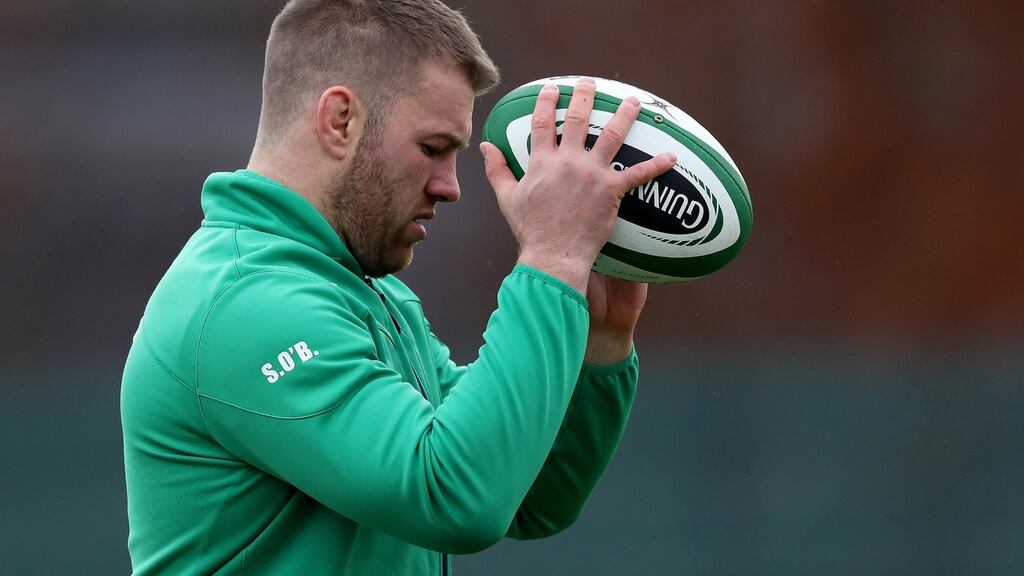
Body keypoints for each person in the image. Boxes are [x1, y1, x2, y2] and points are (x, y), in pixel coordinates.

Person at [120, 0, 676, 574]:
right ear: (340, 121)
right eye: (433, 148)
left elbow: (530, 494)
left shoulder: (363, 294)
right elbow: (455, 497)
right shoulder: (245, 304)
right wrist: (552, 259)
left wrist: (596, 343)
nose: (451, 187)